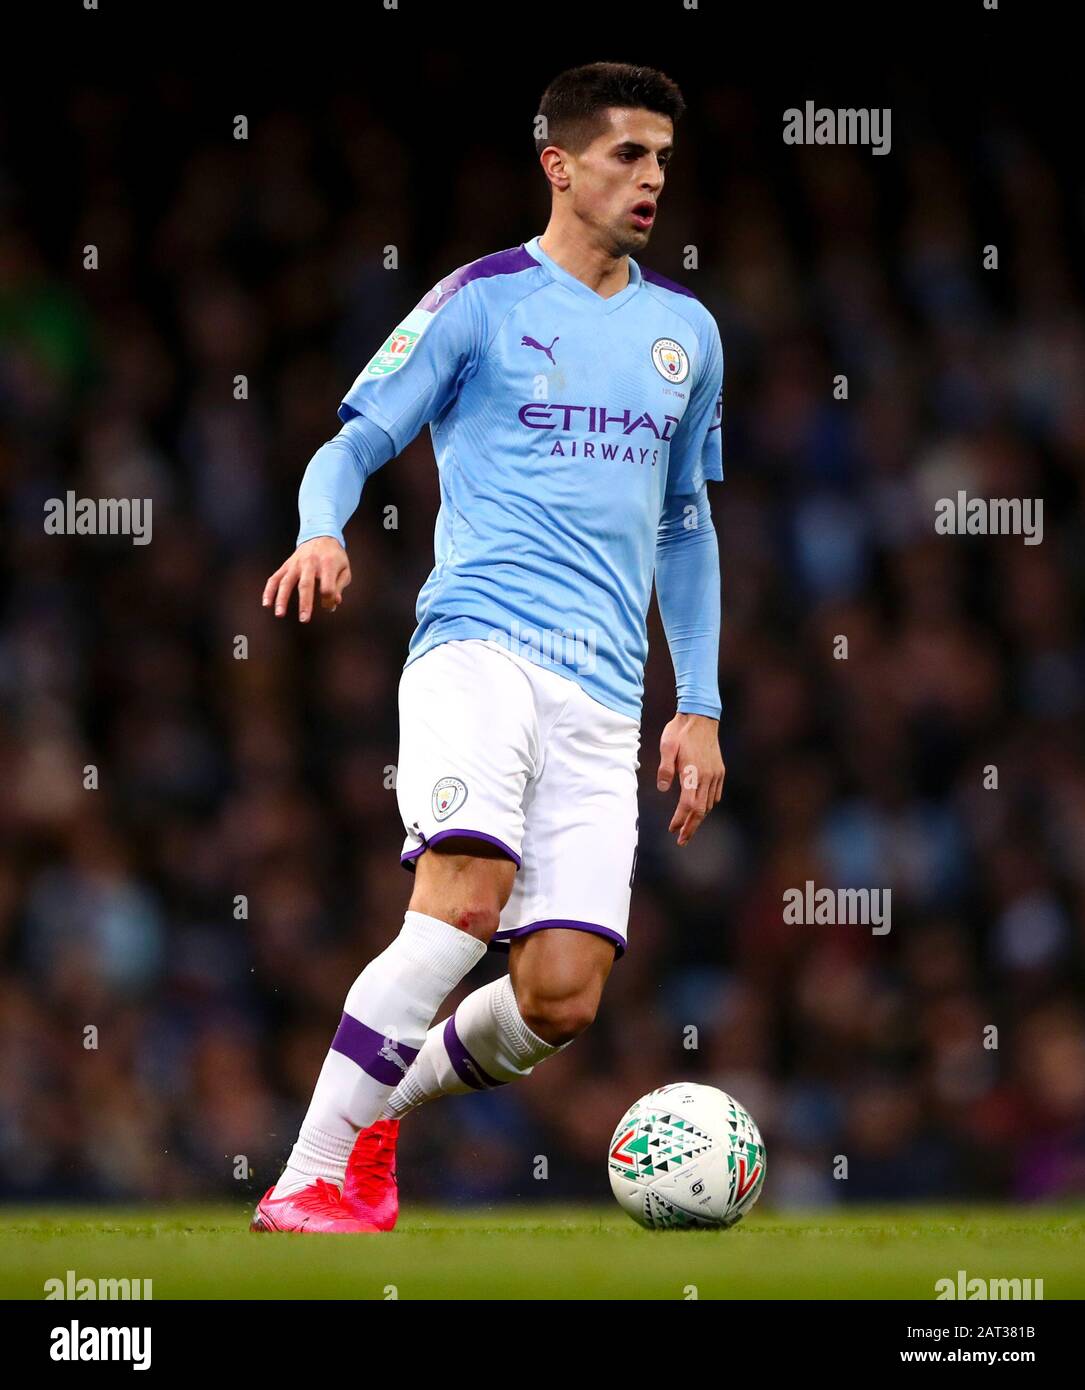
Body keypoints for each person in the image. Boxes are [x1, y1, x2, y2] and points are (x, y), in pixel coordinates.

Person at [252, 60, 725, 1233]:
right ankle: (308, 1175)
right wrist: (321, 530)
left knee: (559, 997)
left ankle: (373, 1109)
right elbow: (350, 444)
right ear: (558, 165)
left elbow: (685, 524)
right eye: (627, 153)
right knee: (457, 907)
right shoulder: (477, 301)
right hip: (481, 648)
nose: (651, 176)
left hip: (607, 692)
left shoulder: (686, 334)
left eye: (662, 156)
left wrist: (698, 701)